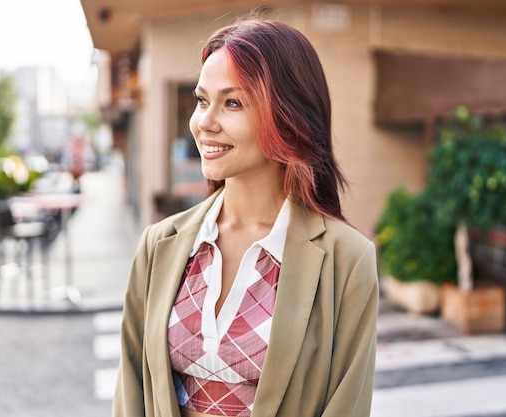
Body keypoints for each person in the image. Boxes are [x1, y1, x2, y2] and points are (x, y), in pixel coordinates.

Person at [113, 16, 379, 417]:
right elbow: (131, 392)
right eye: (202, 100)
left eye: (232, 102)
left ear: (289, 120)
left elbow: (348, 407)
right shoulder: (159, 245)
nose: (204, 122)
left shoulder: (347, 261)